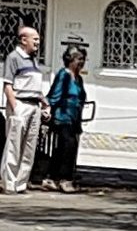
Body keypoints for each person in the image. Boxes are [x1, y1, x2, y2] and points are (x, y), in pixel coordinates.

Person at [3, 26, 48, 195]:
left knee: (29, 147)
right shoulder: (14, 57)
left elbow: (34, 87)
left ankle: (21, 183)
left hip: (34, 105)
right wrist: (15, 108)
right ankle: (9, 183)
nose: (37, 42)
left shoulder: (34, 60)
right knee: (14, 146)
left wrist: (44, 103)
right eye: (34, 38)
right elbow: (8, 85)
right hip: (20, 104)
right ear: (23, 40)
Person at [40, 45, 85, 194]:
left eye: (83, 59)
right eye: (79, 59)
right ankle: (64, 179)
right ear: (70, 60)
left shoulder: (79, 79)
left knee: (65, 148)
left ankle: (52, 177)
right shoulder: (63, 75)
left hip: (74, 119)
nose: (82, 62)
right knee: (67, 146)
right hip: (63, 117)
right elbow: (55, 94)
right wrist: (47, 109)